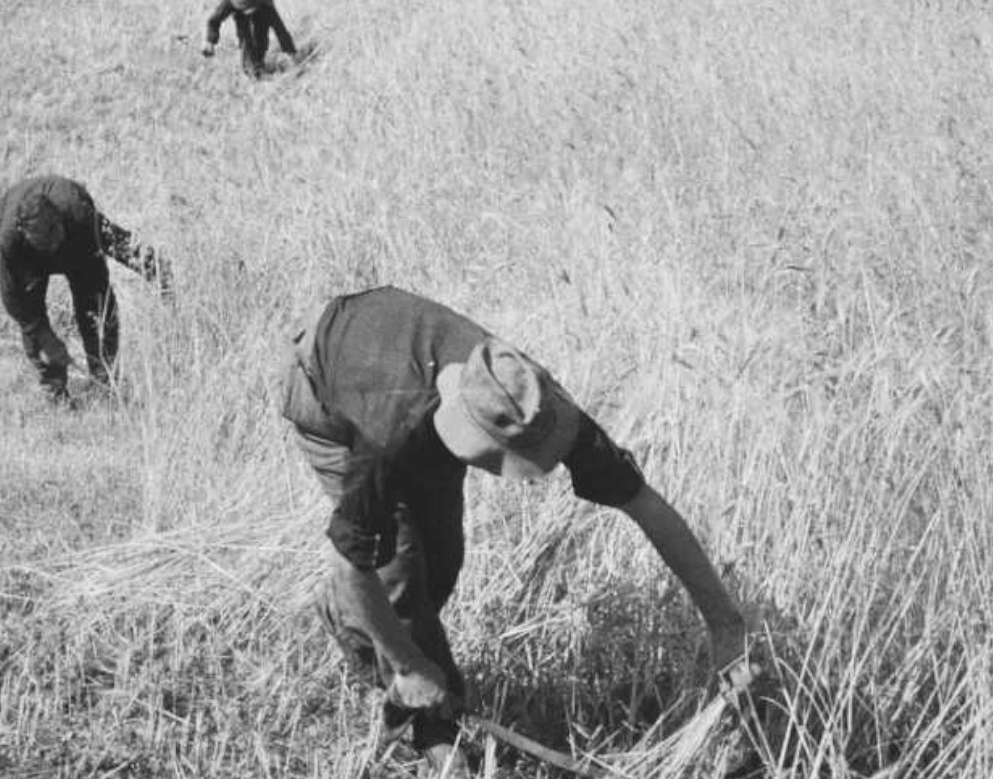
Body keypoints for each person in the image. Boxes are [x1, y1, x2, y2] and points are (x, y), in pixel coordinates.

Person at [281, 286, 748, 778]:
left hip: (406, 377)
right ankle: (434, 733)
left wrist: (725, 624)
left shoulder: (528, 396)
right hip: (323, 383)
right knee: (397, 562)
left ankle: (398, 651)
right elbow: (348, 560)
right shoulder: (388, 431)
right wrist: (407, 665)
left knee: (442, 559)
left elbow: (642, 502)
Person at [0, 175, 172, 403]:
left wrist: (158, 273)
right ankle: (55, 394)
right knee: (35, 327)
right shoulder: (10, 240)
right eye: (45, 242)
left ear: (59, 219)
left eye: (54, 234)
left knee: (96, 306)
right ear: (26, 236)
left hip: (76, 241)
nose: (53, 245)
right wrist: (45, 337)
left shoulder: (78, 215)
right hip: (30, 258)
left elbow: (116, 242)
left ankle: (104, 382)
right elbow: (13, 297)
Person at [202, 0, 297, 79]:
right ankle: (251, 68)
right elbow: (213, 20)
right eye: (246, 11)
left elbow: (280, 29)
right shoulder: (229, 3)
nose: (249, 15)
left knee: (261, 29)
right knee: (244, 35)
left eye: (251, 11)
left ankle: (259, 62)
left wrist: (291, 52)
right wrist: (210, 42)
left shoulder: (265, 1)